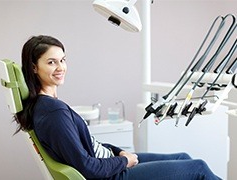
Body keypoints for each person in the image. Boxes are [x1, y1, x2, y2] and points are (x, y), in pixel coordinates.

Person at [15, 35, 221, 180]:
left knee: (183, 158)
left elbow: (89, 145)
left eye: (62, 60)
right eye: (51, 62)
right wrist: (124, 162)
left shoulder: (48, 106)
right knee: (198, 168)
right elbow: (86, 167)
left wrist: (120, 152)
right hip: (111, 175)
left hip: (110, 163)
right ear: (34, 67)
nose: (60, 67)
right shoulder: (53, 113)